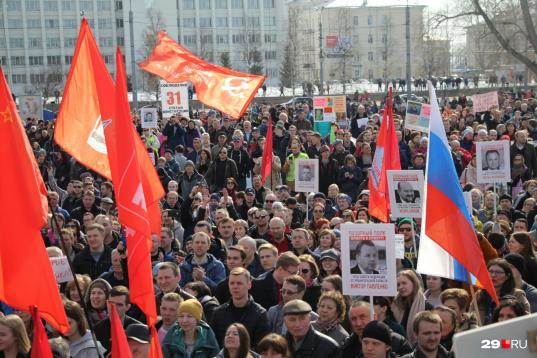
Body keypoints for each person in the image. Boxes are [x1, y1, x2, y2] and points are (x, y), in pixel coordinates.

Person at [210, 267, 270, 348]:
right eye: (232, 283)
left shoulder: (260, 314)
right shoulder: (218, 313)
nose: (235, 286)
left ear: (249, 285)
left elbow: (260, 347)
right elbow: (214, 345)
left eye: (239, 283)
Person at [93, 286, 141, 353]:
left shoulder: (138, 329)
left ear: (127, 307)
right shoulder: (97, 329)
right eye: (111, 303)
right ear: (107, 303)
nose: (114, 308)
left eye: (119, 305)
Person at [391, 270, 431, 344]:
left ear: (414, 283)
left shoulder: (427, 307)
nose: (400, 287)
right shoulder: (395, 304)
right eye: (398, 285)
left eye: (404, 283)